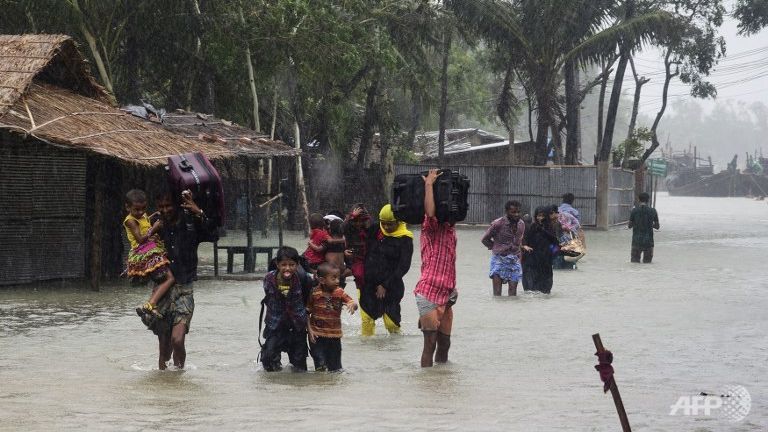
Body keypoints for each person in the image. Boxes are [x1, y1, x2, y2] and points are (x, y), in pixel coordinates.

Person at [146, 188, 216, 370]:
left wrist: (198, 211)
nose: (164, 210)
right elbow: (141, 247)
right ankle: (166, 387)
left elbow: (214, 235)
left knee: (177, 340)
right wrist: (153, 230)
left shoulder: (191, 222)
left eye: (168, 205)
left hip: (185, 288)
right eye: (160, 206)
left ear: (176, 205)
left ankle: (179, 374)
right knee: (164, 350)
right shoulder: (156, 223)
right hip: (162, 288)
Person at [414, 169, 457, 367]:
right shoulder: (430, 228)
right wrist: (429, 185)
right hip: (429, 292)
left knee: (445, 343)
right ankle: (427, 383)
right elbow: (430, 212)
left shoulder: (451, 230)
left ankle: (441, 381)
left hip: (447, 292)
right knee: (429, 343)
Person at [359, 204, 414, 336]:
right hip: (368, 284)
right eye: (384, 223)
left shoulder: (405, 239)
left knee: (391, 324)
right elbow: (356, 236)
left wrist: (385, 285)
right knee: (367, 321)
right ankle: (366, 352)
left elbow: (403, 266)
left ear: (398, 222)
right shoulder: (375, 230)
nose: (387, 227)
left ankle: (395, 351)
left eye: (391, 224)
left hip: (392, 286)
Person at [123, 189, 176, 318]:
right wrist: (154, 229)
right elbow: (140, 239)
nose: (141, 212)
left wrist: (152, 216)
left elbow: (144, 221)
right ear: (127, 207)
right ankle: (150, 304)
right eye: (137, 209)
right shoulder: (130, 221)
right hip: (145, 253)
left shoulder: (141, 216)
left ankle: (152, 306)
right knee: (170, 278)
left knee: (162, 279)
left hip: (151, 249)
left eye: (143, 209)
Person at [260, 246, 312, 372]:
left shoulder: (304, 279)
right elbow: (268, 298)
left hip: (297, 326)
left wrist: (309, 327)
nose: (287, 268)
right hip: (275, 325)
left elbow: (309, 302)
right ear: (277, 264)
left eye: (291, 264)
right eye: (283, 264)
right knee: (268, 359)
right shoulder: (268, 278)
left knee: (299, 366)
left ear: (297, 265)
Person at [307, 262, 358, 371]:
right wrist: (310, 330)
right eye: (333, 278)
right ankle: (322, 386)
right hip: (317, 336)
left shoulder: (339, 292)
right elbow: (307, 312)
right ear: (322, 280)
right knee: (320, 366)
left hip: (334, 336)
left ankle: (333, 386)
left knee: (335, 368)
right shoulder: (314, 293)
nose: (337, 281)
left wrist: (353, 305)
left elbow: (352, 302)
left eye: (338, 278)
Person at [481, 200, 525, 296]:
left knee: (513, 293)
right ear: (507, 212)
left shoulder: (521, 224)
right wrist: (496, 247)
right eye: (513, 212)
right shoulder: (498, 223)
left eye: (518, 212)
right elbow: (485, 239)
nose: (516, 214)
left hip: (514, 260)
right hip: (499, 260)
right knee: (497, 294)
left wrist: (519, 258)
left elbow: (519, 241)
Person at [521, 206, 560, 294]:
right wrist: (524, 247)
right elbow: (524, 242)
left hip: (545, 263)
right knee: (531, 291)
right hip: (531, 263)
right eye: (539, 215)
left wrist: (552, 255)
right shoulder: (532, 228)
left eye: (543, 216)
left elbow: (555, 245)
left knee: (545, 291)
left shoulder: (551, 228)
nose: (540, 218)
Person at [343, 204, 372, 291]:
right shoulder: (349, 229)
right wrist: (352, 216)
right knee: (359, 275)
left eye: (361, 221)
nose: (358, 223)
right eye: (356, 221)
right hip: (355, 257)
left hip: (368, 256)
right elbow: (342, 228)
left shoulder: (369, 229)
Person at [627, 192, 660, 263]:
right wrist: (650, 224)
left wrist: (636, 223)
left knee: (634, 265)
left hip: (636, 241)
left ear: (639, 200)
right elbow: (657, 227)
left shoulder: (634, 210)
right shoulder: (653, 211)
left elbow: (629, 226)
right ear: (648, 200)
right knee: (647, 264)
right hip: (649, 242)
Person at [324, 217, 351, 287]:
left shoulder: (327, 242)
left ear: (330, 230)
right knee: (338, 295)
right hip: (340, 275)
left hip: (328, 276)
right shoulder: (344, 244)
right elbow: (349, 264)